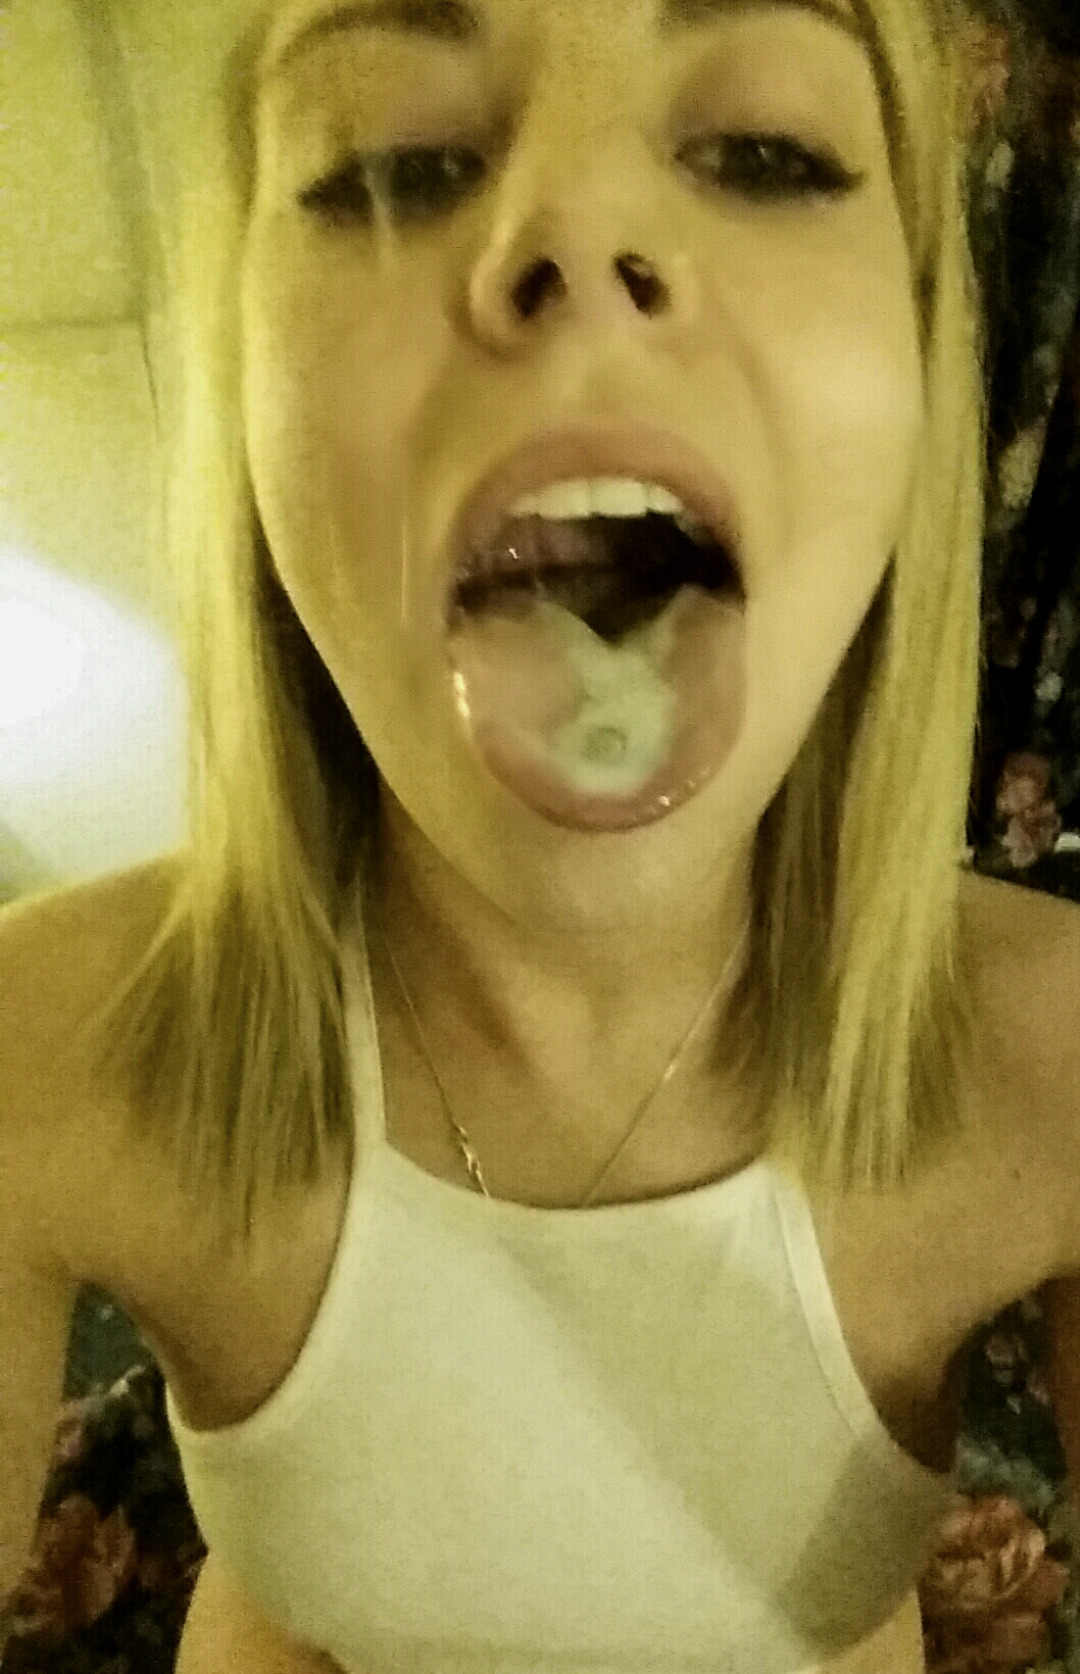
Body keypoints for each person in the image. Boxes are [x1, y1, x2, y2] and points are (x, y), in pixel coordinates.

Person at [4, 0, 1080, 1669]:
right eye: (393, 158)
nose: (576, 227)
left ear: (928, 370)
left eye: (765, 150)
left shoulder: (1058, 1058)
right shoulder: (44, 1042)